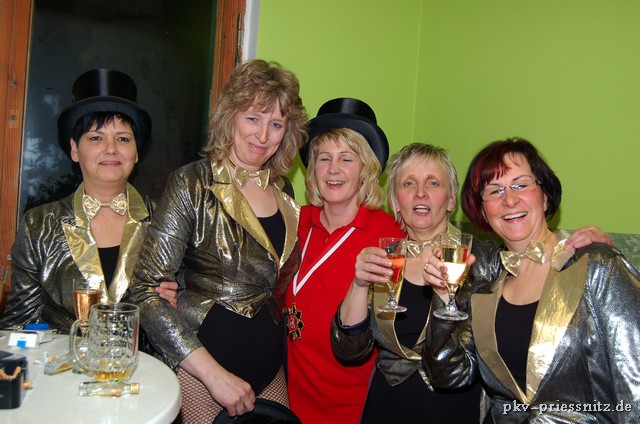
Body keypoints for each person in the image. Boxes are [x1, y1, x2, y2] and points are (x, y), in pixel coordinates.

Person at [125, 59, 308, 423]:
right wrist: (214, 377)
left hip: (270, 370)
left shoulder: (285, 192)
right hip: (202, 376)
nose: (263, 136)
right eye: (252, 118)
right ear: (230, 116)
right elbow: (144, 290)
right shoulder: (191, 183)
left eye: (276, 124)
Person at [423, 137, 640, 422]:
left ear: (545, 195)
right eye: (495, 190)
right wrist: (443, 297)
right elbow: (449, 375)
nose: (509, 200)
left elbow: (635, 385)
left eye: (521, 185)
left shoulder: (595, 264)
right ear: (483, 211)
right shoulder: (485, 290)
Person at [1, 68, 176, 334]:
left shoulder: (166, 219)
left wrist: (175, 299)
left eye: (123, 138)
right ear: (74, 149)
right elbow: (18, 326)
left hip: (141, 359)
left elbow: (186, 305)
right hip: (63, 358)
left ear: (136, 152)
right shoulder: (38, 225)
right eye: (96, 137)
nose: (111, 148)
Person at [331, 143, 490, 423]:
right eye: (408, 183)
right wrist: (359, 284)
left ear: (450, 201)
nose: (420, 192)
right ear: (395, 202)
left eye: (433, 182)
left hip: (452, 408)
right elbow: (350, 350)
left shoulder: (482, 258)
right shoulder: (385, 258)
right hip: (387, 405)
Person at [284, 98, 404, 424]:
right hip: (287, 399)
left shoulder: (389, 235)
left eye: (347, 159)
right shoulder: (294, 221)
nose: (333, 169)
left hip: (351, 408)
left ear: (366, 169)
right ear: (312, 169)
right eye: (324, 158)